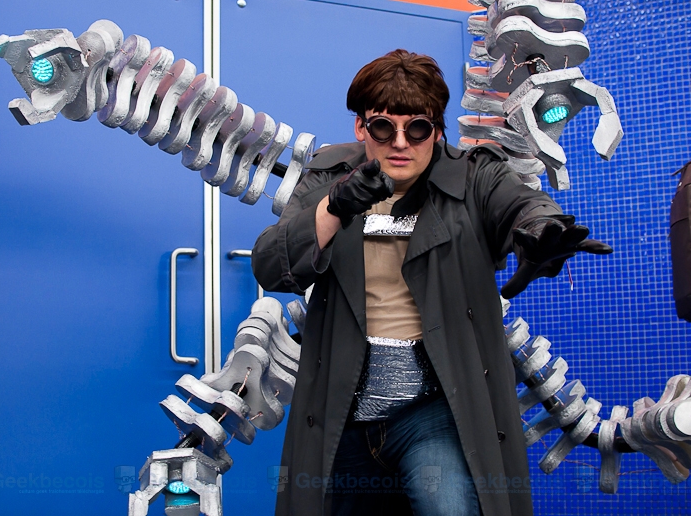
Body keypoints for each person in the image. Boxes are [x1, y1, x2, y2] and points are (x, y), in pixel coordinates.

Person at [251, 50, 610, 516]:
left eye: (417, 128)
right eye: (384, 128)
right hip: (341, 407)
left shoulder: (475, 175)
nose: (400, 143)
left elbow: (519, 204)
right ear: (361, 127)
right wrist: (335, 207)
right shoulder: (328, 176)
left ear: (437, 130)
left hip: (431, 411)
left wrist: (542, 228)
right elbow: (271, 264)